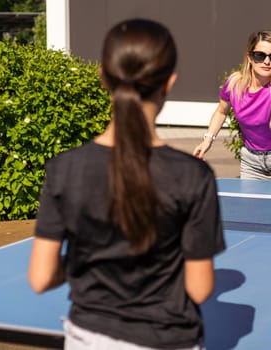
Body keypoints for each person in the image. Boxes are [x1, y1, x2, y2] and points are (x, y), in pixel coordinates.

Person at [28, 18, 225, 350]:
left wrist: (86, 264)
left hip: (86, 339)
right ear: (170, 82)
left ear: (103, 77)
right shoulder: (194, 176)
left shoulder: (64, 169)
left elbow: (41, 277)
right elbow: (200, 289)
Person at [193, 30, 271, 183]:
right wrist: (208, 140)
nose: (267, 62)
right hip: (252, 164)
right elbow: (222, 111)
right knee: (252, 207)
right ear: (249, 57)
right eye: (260, 55)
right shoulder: (234, 84)